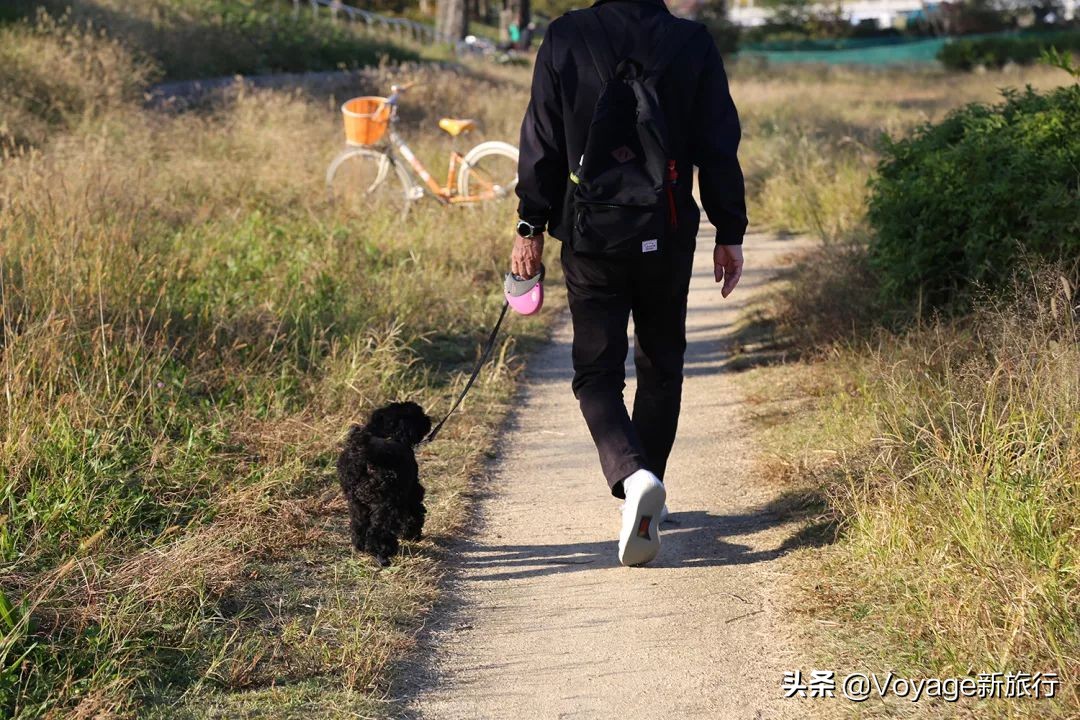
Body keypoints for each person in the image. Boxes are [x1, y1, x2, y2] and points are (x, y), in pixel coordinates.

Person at [511, 0, 747, 566]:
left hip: (592, 235)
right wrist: (728, 230)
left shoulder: (566, 36)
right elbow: (719, 144)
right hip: (665, 230)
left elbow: (541, 134)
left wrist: (530, 225)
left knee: (596, 372)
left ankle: (633, 476)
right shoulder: (692, 43)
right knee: (661, 365)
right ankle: (647, 494)